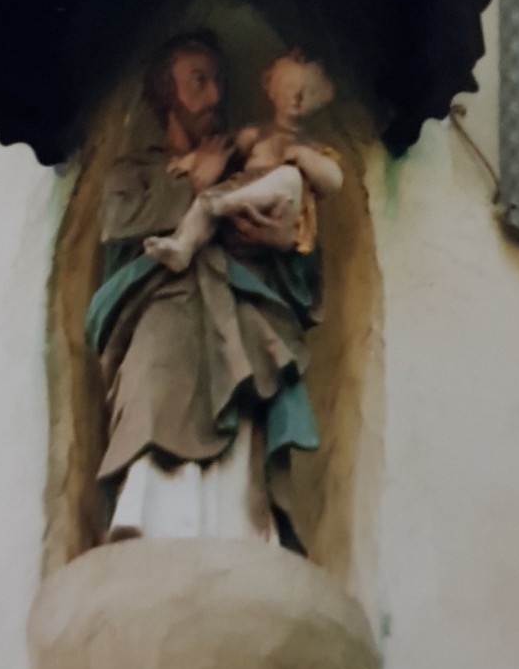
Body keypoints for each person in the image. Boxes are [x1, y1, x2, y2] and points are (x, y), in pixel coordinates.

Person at [84, 32, 330, 547]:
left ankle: (239, 532)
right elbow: (118, 223)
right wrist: (193, 183)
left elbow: (300, 255)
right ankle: (149, 524)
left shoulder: (249, 170)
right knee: (155, 375)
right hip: (162, 306)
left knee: (246, 386)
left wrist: (286, 241)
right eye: (198, 81)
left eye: (218, 81)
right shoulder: (135, 170)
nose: (215, 95)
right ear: (166, 93)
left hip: (238, 307)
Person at [143, 50, 343, 275]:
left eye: (309, 91)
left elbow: (333, 180)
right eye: (289, 87)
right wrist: (190, 161)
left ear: (322, 97)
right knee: (205, 205)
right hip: (239, 206)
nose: (297, 96)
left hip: (279, 210)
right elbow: (224, 149)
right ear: (271, 89)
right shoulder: (256, 134)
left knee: (290, 176)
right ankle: (183, 246)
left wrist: (303, 156)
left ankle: (222, 204)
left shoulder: (312, 149)